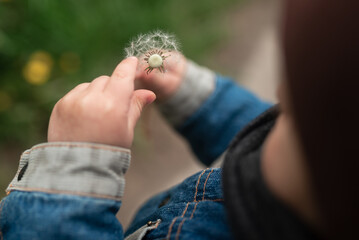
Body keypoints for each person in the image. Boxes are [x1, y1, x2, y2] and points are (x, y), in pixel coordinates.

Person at [0, 0, 358, 239]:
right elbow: (252, 131)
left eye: (293, 87)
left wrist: (67, 179)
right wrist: (198, 96)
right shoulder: (316, 162)